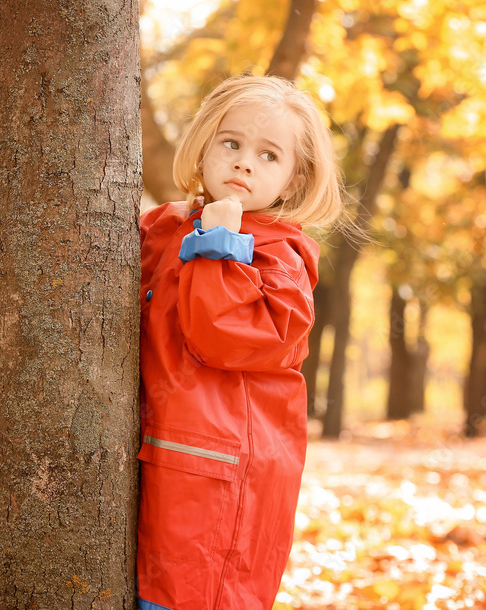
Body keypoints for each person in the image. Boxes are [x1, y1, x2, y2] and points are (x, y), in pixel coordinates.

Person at [137, 75, 345, 610]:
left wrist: (219, 246)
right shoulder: (169, 228)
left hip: (225, 479)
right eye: (231, 143)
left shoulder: (281, 259)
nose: (244, 163)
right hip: (162, 457)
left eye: (268, 155)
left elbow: (223, 338)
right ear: (205, 145)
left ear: (294, 181)